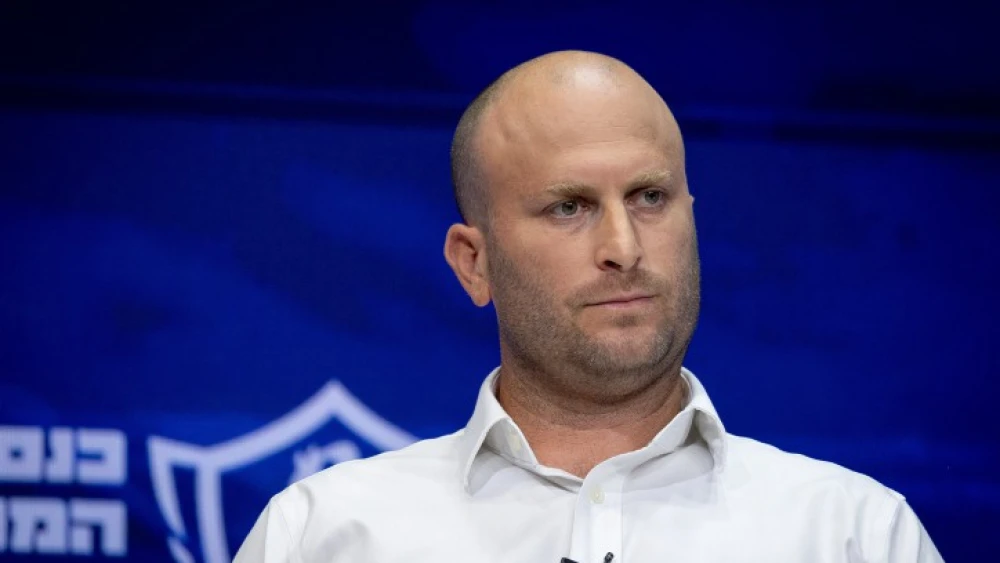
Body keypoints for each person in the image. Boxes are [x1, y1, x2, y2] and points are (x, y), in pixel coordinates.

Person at [234, 50, 942, 563]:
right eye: (569, 206)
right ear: (473, 263)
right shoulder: (324, 534)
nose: (624, 246)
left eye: (649, 197)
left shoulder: (855, 534)